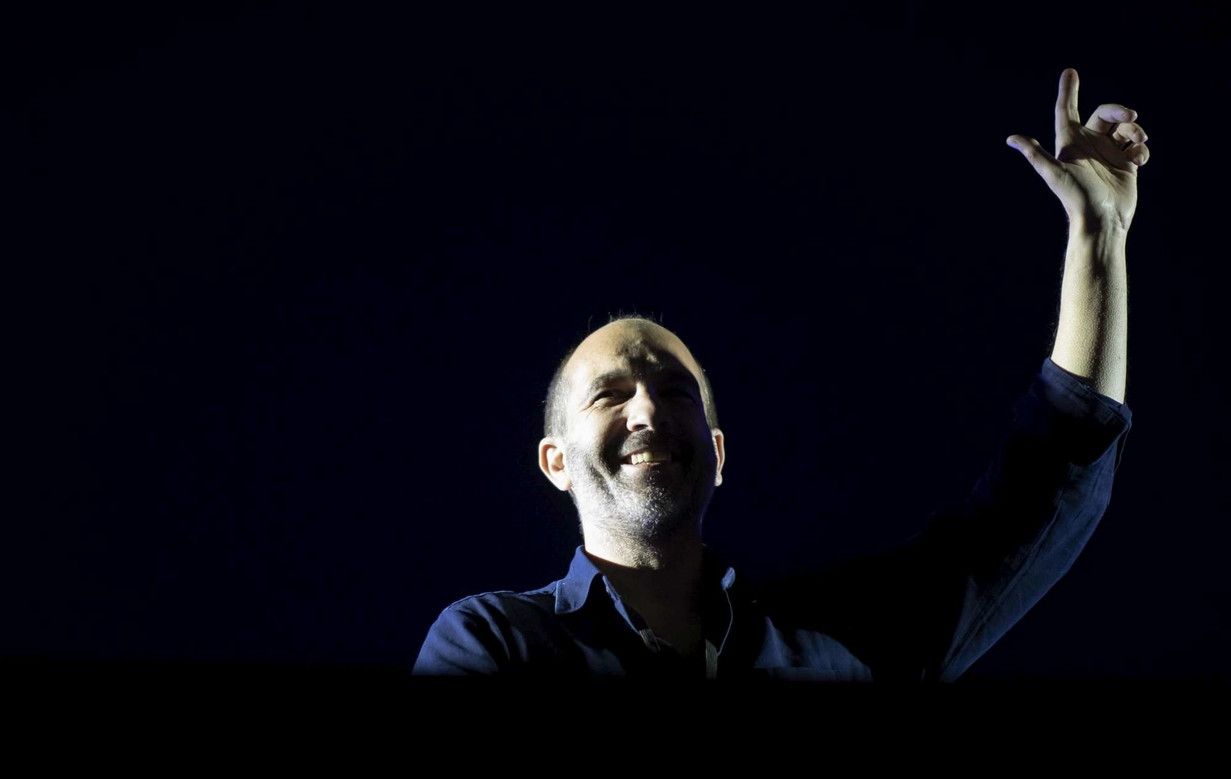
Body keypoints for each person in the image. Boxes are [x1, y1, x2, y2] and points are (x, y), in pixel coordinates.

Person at [412, 68, 1145, 681]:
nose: (648, 411)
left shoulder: (841, 637)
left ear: (718, 452)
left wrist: (1098, 237)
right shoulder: (495, 641)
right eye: (610, 393)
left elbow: (1036, 498)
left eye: (676, 391)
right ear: (555, 462)